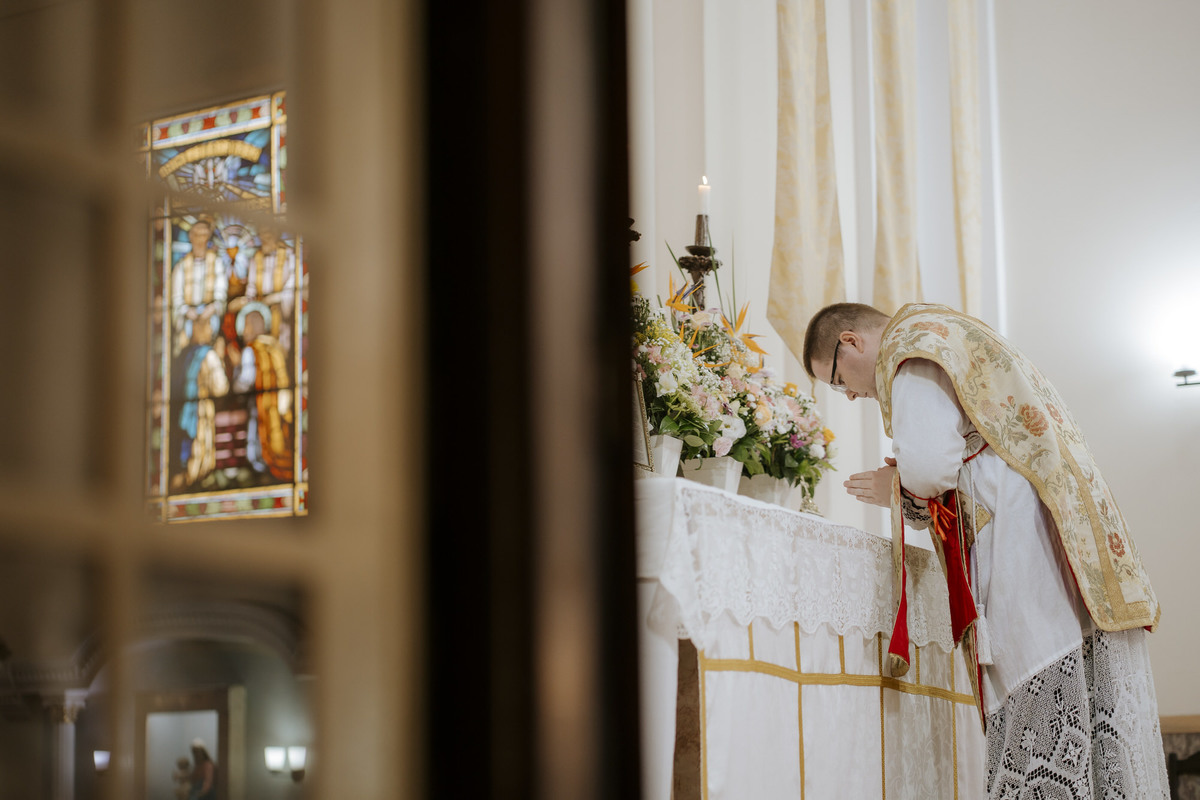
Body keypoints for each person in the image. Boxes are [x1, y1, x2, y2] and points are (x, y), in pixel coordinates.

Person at [803, 301, 1168, 798]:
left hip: (1023, 543)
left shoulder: (910, 354)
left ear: (851, 341)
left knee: (1039, 710)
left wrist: (896, 483)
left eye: (838, 381)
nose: (848, 396)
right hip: (1057, 526)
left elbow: (930, 468)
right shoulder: (946, 329)